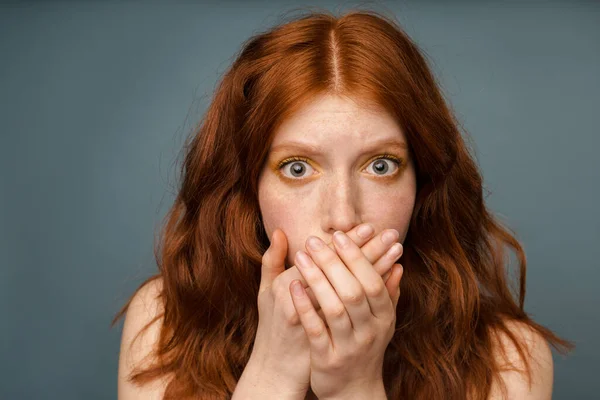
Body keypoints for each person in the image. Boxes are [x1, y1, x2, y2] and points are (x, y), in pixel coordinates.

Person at [113, 8, 574, 400]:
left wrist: (354, 387)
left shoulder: (510, 358)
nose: (342, 217)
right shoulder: (164, 322)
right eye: (297, 168)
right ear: (248, 189)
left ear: (424, 182)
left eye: (380, 166)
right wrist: (271, 375)